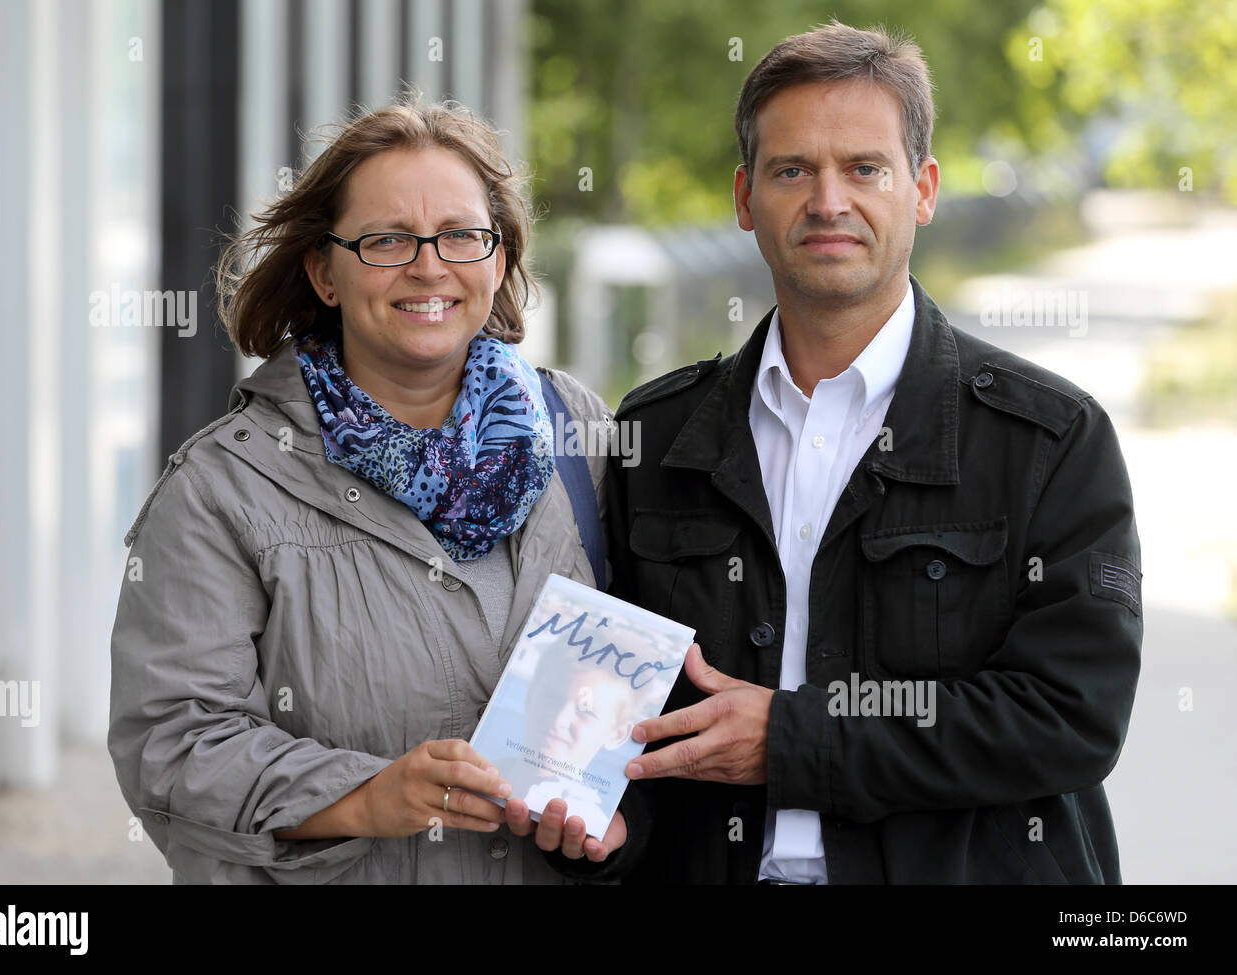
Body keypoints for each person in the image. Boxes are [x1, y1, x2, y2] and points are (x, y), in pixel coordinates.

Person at [609, 22, 1143, 883]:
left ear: (922, 189)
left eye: (864, 168)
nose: (828, 201)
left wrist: (792, 739)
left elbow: (1071, 714)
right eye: (793, 170)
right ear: (745, 199)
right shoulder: (658, 438)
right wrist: (598, 828)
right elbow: (616, 706)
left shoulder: (1050, 437)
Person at [107, 97, 635, 883]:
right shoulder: (224, 489)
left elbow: (645, 674)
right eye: (388, 239)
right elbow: (172, 743)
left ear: (498, 258)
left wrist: (614, 814)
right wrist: (364, 795)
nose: (429, 266)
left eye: (461, 234)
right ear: (324, 271)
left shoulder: (583, 436)